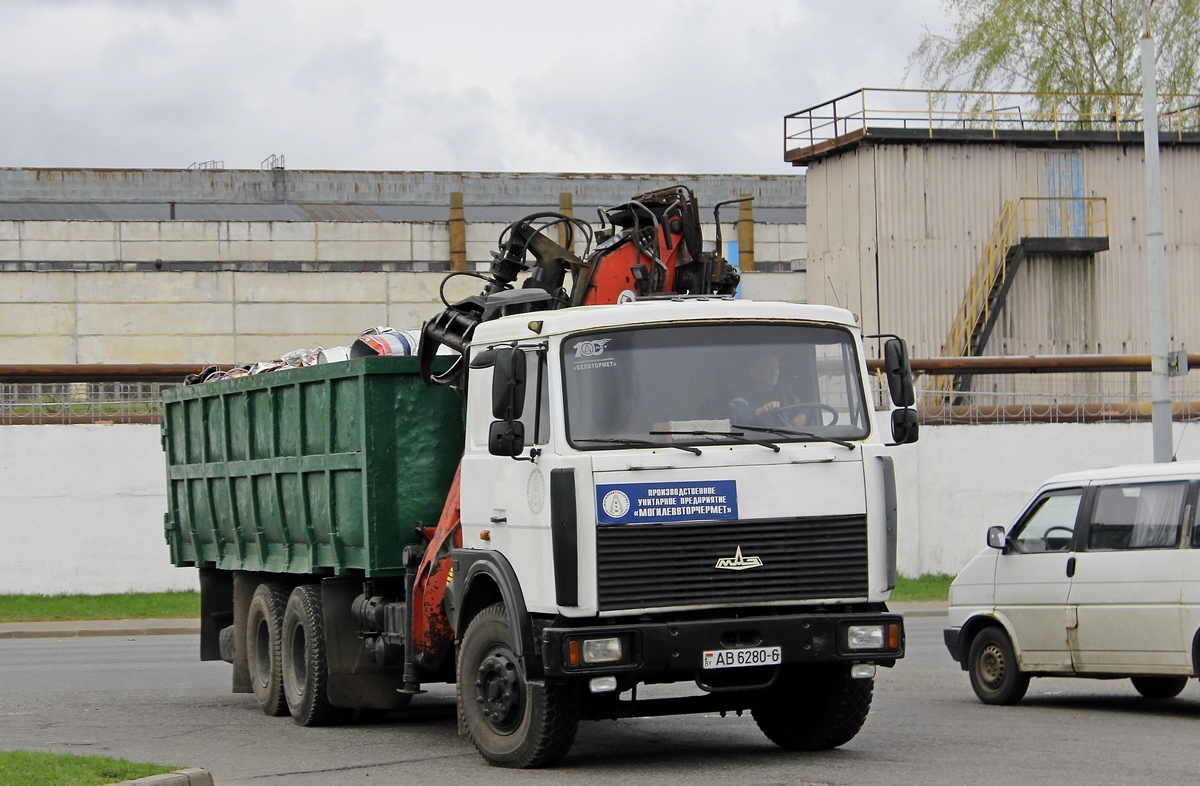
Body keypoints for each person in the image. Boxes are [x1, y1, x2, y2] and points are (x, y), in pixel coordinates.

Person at [730, 348, 808, 428]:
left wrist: (802, 415)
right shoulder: (743, 390)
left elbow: (800, 406)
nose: (774, 372)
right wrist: (760, 411)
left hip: (787, 438)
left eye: (776, 367)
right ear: (753, 371)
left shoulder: (784, 388)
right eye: (767, 367)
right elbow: (736, 414)